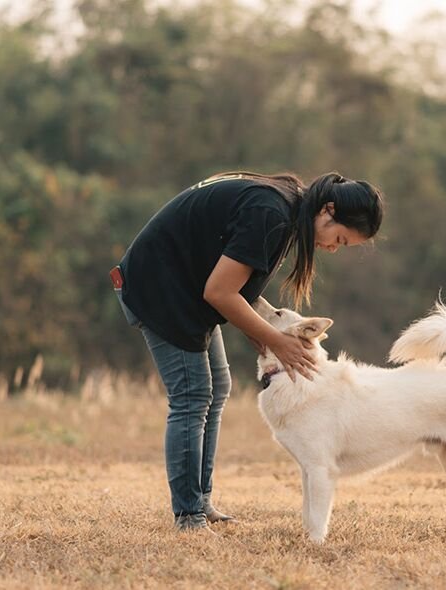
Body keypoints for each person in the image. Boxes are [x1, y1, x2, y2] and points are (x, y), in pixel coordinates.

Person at [111, 171, 384, 532]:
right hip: (160, 289)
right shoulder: (270, 213)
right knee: (192, 395)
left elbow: (237, 286)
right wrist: (275, 339)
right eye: (340, 239)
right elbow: (220, 293)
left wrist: (266, 330)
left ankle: (200, 502)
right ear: (328, 210)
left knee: (216, 387)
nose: (332, 248)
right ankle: (188, 515)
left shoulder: (289, 210)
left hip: (183, 289)